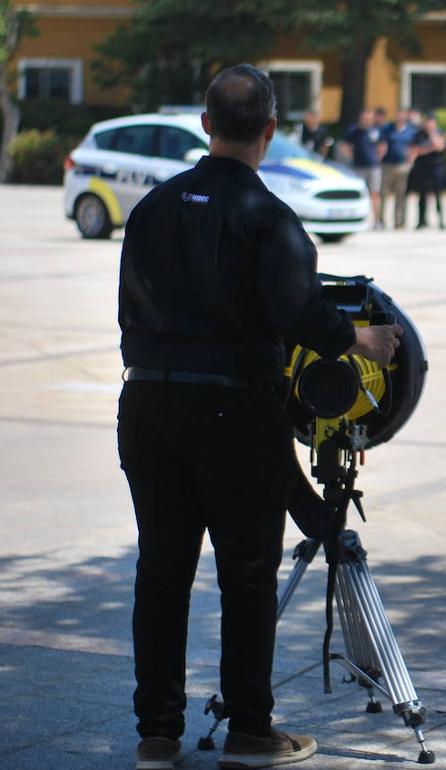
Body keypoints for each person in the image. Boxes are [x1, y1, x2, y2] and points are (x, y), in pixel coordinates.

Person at [117, 64, 402, 770]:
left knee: (161, 569)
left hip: (147, 402)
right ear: (271, 131)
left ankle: (157, 732)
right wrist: (360, 339)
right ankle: (250, 730)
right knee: (245, 573)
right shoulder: (268, 216)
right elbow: (301, 314)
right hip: (232, 411)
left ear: (207, 125)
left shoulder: (153, 207)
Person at [342, 109, 387, 228]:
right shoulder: (354, 131)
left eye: (369, 117)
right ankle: (358, 218)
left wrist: (377, 158)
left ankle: (377, 221)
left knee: (375, 194)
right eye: (365, 117)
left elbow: (383, 146)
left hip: (374, 167)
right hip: (358, 166)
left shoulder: (376, 131)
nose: (367, 120)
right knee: (360, 194)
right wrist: (352, 156)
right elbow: (345, 146)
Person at [380, 109, 419, 228]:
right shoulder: (387, 129)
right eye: (398, 114)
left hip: (403, 166)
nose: (400, 117)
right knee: (384, 193)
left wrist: (411, 159)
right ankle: (381, 221)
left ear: (406, 116)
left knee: (401, 194)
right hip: (388, 165)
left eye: (402, 115)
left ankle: (399, 221)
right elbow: (381, 145)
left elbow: (414, 147)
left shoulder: (410, 131)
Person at [407, 113, 446, 229]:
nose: (429, 125)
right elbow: (415, 151)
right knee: (422, 195)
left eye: (431, 122)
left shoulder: (440, 132)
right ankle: (421, 221)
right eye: (427, 122)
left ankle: (441, 220)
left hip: (436, 167)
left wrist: (432, 135)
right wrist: (430, 148)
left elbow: (440, 147)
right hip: (422, 168)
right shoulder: (418, 135)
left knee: (438, 195)